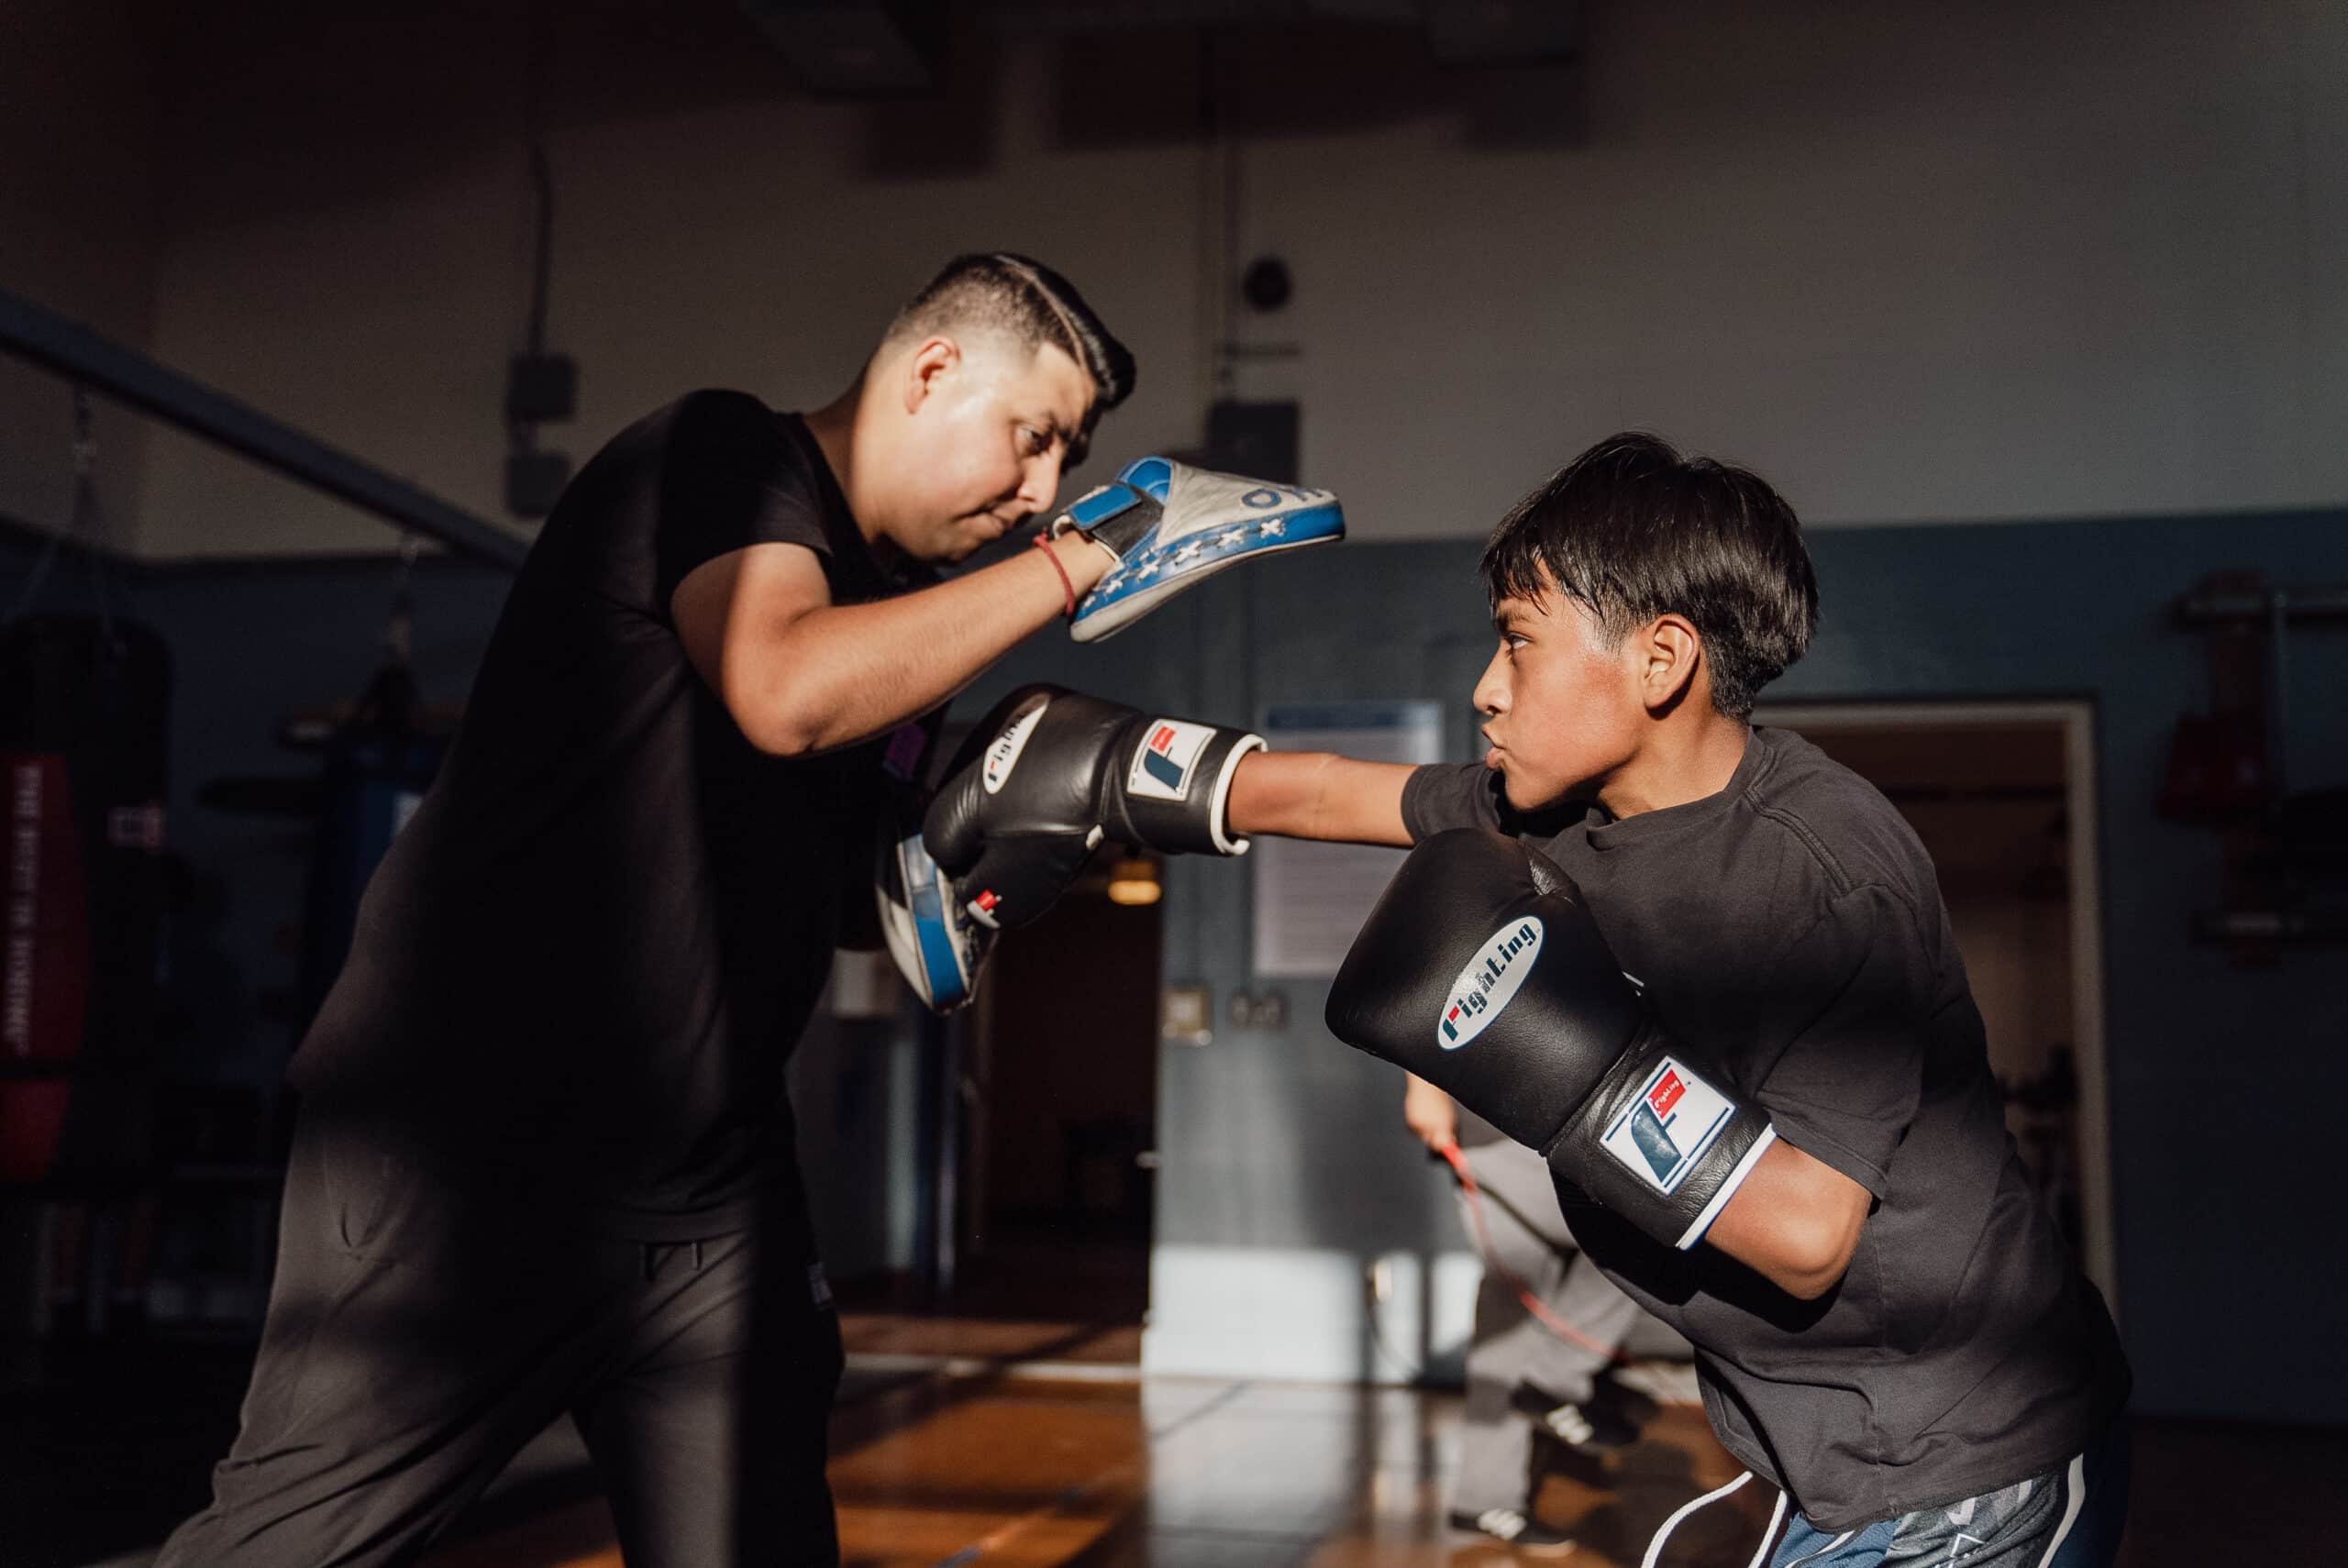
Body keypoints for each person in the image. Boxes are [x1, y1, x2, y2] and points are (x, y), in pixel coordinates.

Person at [153, 252, 1319, 1568]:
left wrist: (971, 857)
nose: (1042, 488)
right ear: (932, 373)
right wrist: (1089, 552)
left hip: (707, 1180)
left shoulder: (890, 617)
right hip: (473, 1142)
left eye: (1068, 462)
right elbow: (780, 686)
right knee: (288, 1548)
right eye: (1034, 438)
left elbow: (817, 887)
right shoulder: (719, 454)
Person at [927, 432, 2131, 1565]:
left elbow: (1809, 1235)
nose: (1487, 688)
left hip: (1969, 1462)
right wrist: (1113, 765)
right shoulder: (1564, 816)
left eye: (1520, 641)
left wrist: (1581, 1071)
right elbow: (1334, 792)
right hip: (1835, 1451)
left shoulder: (1820, 873)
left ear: (1662, 660)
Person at [1404, 1073, 1655, 1556]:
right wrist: (1424, 1087)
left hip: (1543, 1110)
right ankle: (1555, 1382)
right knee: (1640, 1230)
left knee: (1509, 1310)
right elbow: (1397, 993)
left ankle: (1483, 1499)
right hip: (1497, 1118)